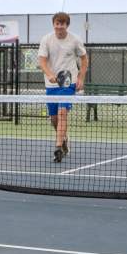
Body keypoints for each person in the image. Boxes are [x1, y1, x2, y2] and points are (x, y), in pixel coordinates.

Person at [37, 13, 87, 163]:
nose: (59, 27)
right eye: (57, 24)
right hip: (51, 85)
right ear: (54, 24)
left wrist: (80, 78)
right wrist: (49, 74)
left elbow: (84, 58)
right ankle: (63, 139)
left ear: (67, 25)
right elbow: (42, 61)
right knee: (54, 119)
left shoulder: (75, 40)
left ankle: (58, 148)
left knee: (62, 112)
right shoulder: (46, 40)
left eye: (62, 24)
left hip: (68, 83)